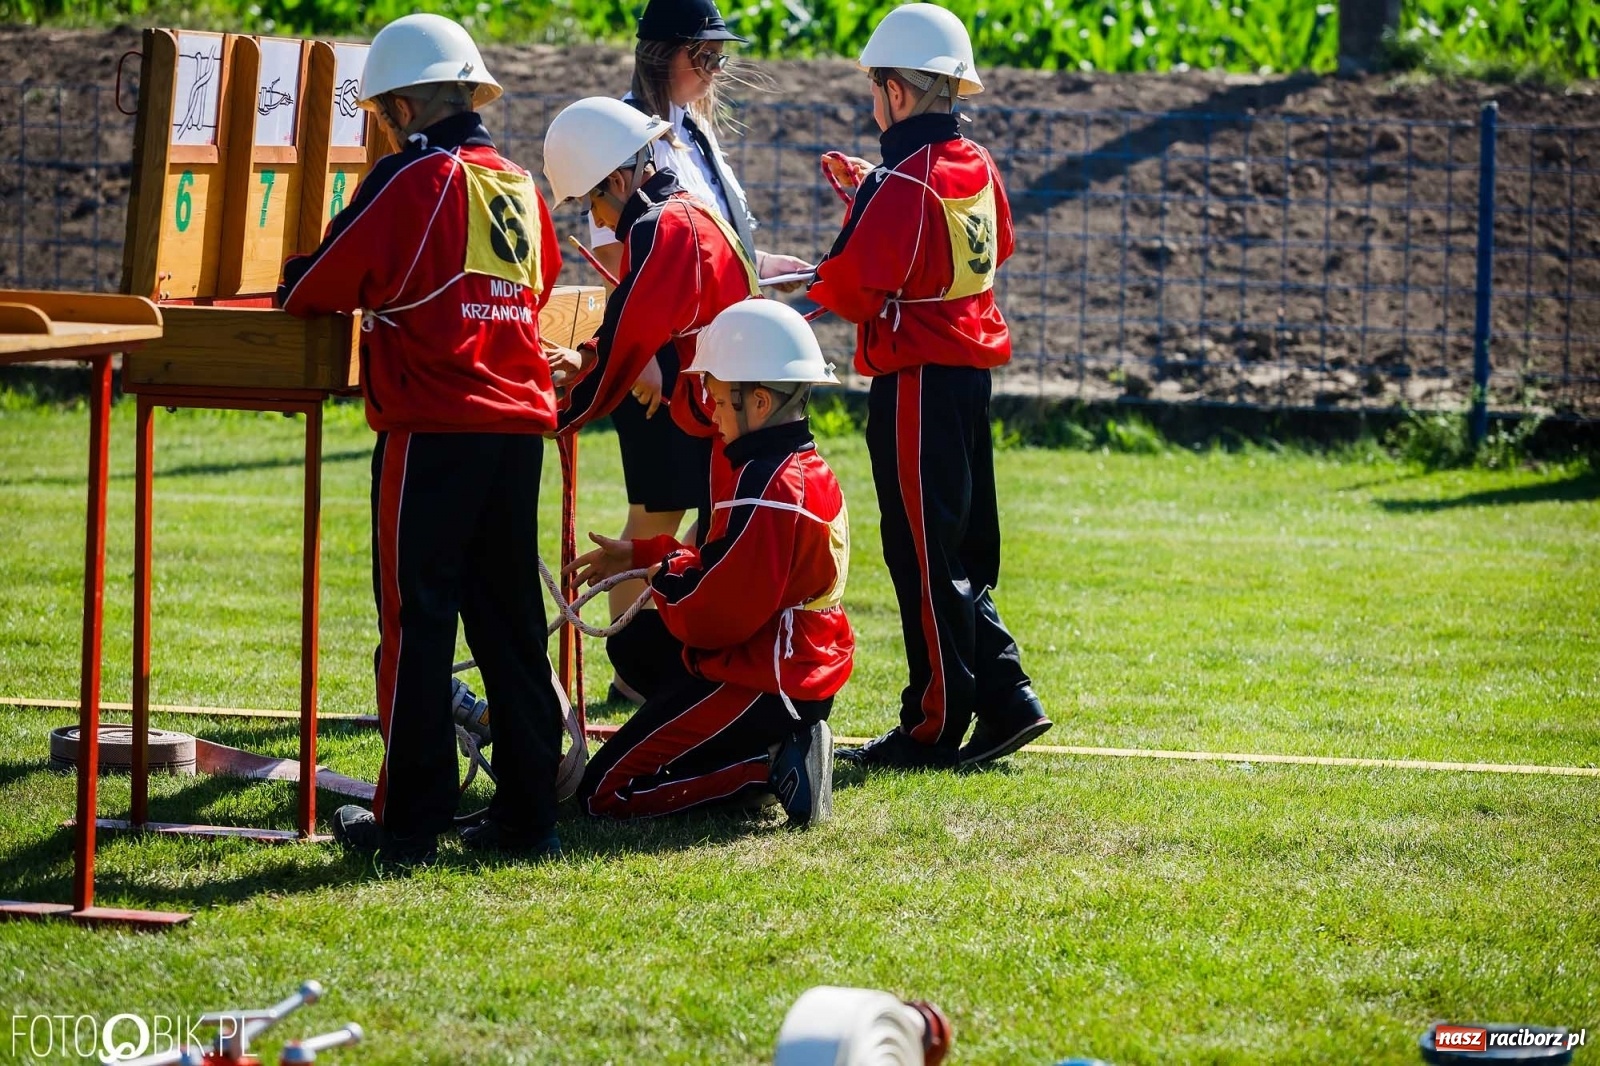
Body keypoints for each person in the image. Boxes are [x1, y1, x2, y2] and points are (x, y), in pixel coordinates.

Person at [278, 13, 575, 864]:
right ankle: (528, 818)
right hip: (517, 430)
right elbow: (539, 277)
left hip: (434, 427)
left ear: (403, 105)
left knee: (417, 625)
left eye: (381, 113)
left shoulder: (409, 178)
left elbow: (322, 284)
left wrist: (298, 281)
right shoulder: (515, 182)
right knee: (512, 624)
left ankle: (410, 823)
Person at [808, 3, 1053, 771]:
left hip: (916, 381)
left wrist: (867, 210)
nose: (872, 103)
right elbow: (992, 243)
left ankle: (934, 725)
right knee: (960, 550)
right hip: (968, 377)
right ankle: (1007, 698)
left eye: (876, 88)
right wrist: (871, 199)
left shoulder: (903, 178)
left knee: (921, 554)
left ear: (899, 94)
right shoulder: (971, 163)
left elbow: (850, 289)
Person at [585, 0, 812, 704]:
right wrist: (642, 358)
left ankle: (648, 660)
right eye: (701, 54)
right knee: (657, 514)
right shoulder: (628, 132)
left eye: (716, 54)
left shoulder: (692, 132)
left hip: (699, 360)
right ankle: (632, 668)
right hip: (657, 360)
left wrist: (764, 265)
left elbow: (715, 238)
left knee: (694, 511)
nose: (714, 67)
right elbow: (608, 244)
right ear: (661, 55)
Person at [565, 301, 852, 825]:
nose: (713, 413)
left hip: (763, 681)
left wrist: (663, 573)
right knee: (637, 647)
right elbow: (726, 570)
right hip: (785, 670)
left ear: (759, 401)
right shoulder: (795, 468)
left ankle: (770, 766)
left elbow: (715, 615)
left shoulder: (766, 488)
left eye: (719, 400)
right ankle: (755, 751)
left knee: (603, 794)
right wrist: (647, 553)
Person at [543, 94, 767, 702]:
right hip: (734, 417)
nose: (597, 216)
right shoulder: (689, 211)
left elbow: (630, 336)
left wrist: (553, 414)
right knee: (714, 547)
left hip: (717, 420)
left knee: (704, 560)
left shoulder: (657, 226)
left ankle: (680, 689)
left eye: (593, 200)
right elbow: (631, 322)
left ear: (618, 179)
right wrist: (589, 357)